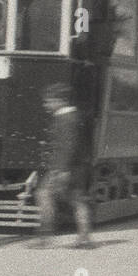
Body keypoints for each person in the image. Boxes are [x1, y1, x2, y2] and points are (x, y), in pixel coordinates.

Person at [34, 82, 93, 248]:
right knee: (77, 200)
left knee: (43, 194)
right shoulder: (72, 116)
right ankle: (84, 238)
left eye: (49, 101)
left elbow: (68, 146)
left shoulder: (65, 118)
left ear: (60, 100)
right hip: (75, 167)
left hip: (65, 167)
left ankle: (45, 238)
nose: (46, 105)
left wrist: (62, 170)